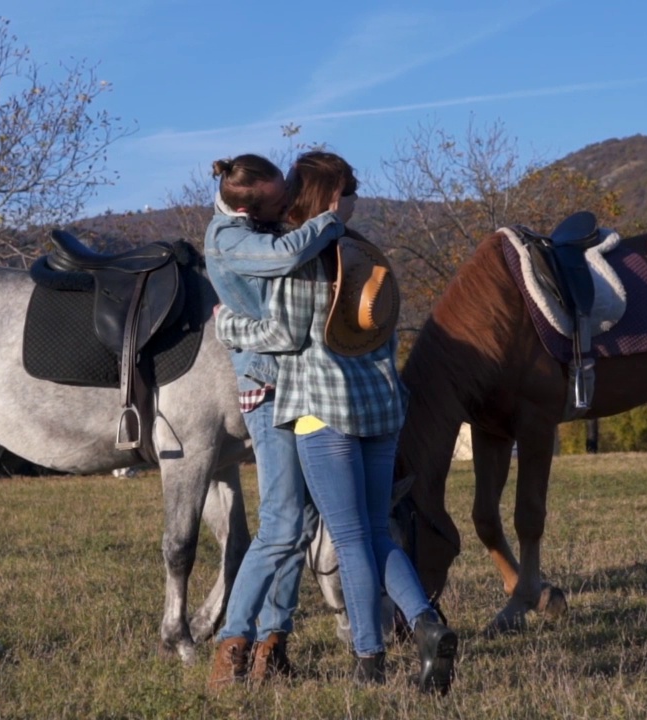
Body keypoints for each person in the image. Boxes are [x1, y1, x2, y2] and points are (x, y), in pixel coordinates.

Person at [214, 151, 458, 693]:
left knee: (349, 539)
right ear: (333, 198)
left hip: (321, 413)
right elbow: (383, 328)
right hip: (381, 408)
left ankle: (369, 661)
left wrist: (228, 326)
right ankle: (425, 622)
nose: (357, 197)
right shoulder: (369, 252)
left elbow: (281, 336)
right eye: (351, 189)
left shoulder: (298, 257)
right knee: (375, 531)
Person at [203, 153, 352, 691]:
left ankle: (273, 646)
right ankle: (232, 648)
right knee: (282, 525)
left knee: (298, 526)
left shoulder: (255, 221)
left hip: (299, 389)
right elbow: (288, 255)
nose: (287, 205)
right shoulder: (229, 238)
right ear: (246, 202)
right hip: (268, 390)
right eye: (277, 200)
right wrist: (331, 216)